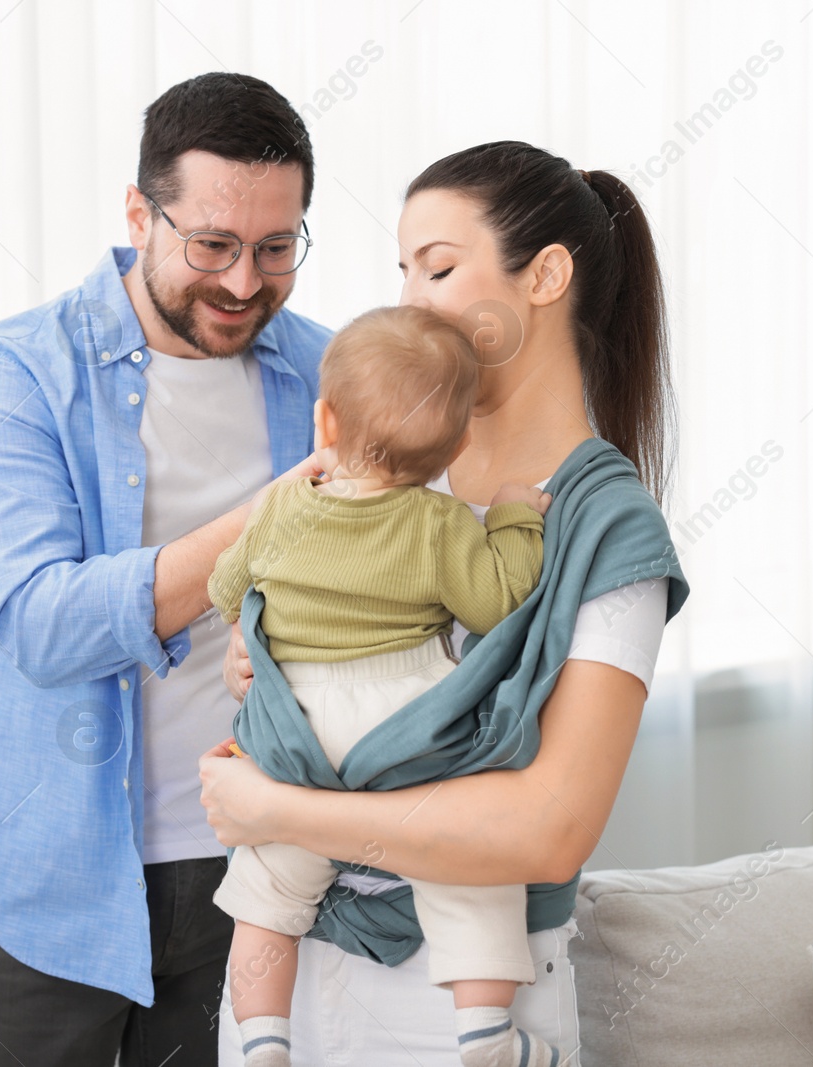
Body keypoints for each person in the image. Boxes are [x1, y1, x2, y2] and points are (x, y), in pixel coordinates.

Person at [201, 142, 688, 1066]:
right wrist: (255, 650)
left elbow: (550, 830)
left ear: (545, 276)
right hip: (289, 985)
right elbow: (271, 604)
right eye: (402, 274)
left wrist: (275, 809)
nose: (408, 303)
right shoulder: (360, 472)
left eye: (440, 269)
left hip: (472, 1004)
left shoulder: (607, 528)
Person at [0, 72, 333, 1066]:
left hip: (255, 870)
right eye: (212, 245)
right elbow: (41, 623)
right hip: (48, 881)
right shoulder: (14, 374)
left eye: (276, 248)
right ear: (137, 214)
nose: (244, 282)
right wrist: (275, 516)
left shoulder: (332, 375)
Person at [205, 304, 557, 1066]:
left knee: (267, 893)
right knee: (465, 870)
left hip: (293, 731)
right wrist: (511, 517)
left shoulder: (281, 506)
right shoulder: (437, 524)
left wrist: (252, 626)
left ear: (324, 419)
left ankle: (264, 1041)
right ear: (459, 442)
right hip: (405, 724)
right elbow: (499, 602)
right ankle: (488, 1034)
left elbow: (226, 584)